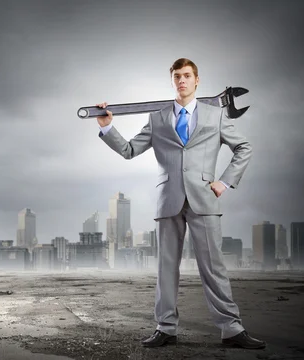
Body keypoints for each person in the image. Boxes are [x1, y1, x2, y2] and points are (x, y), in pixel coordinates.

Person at [95, 58, 265, 349]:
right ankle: (166, 328)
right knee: (166, 268)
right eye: (177, 76)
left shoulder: (216, 116)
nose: (182, 81)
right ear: (172, 81)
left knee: (214, 267)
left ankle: (231, 329)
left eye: (187, 76)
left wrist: (223, 182)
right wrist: (108, 128)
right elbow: (129, 150)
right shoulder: (158, 118)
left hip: (204, 199)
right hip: (168, 200)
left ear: (197, 80)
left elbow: (244, 147)